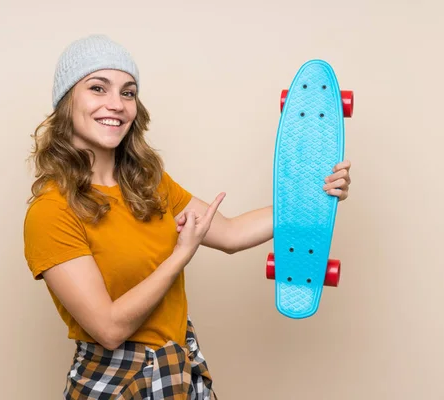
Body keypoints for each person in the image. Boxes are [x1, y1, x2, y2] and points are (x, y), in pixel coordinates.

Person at [23, 34, 352, 399]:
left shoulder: (148, 184)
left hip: (177, 370)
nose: (116, 104)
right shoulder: (51, 211)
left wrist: (312, 198)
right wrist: (181, 254)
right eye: (98, 88)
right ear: (66, 101)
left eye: (128, 92)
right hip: (114, 384)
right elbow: (109, 329)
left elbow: (230, 234)